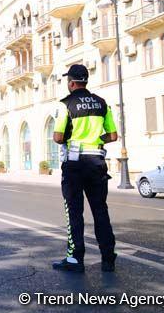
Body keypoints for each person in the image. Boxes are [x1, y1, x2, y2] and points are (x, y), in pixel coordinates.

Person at [52, 64, 118, 273]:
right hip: (97, 163)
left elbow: (58, 137)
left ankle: (75, 260)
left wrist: (74, 140)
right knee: (100, 211)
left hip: (74, 164)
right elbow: (113, 136)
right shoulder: (102, 103)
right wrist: (97, 140)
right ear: (85, 81)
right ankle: (108, 259)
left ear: (71, 83)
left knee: (74, 213)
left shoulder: (66, 104)